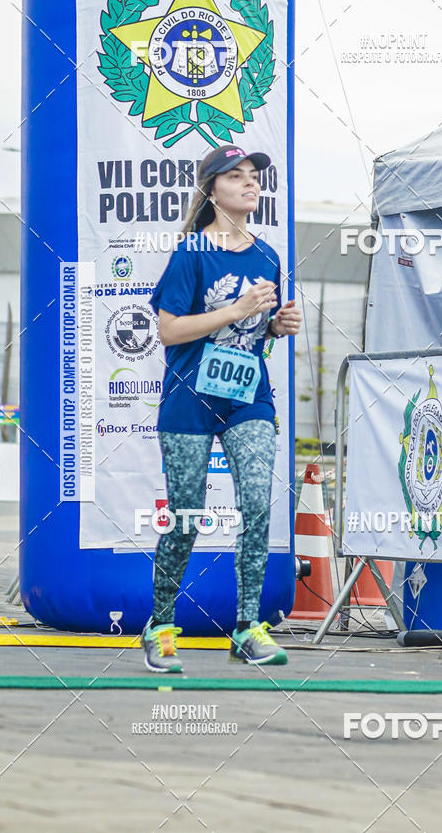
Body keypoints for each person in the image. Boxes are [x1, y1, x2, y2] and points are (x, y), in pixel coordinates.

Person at [141, 145, 302, 673]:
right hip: (189, 398)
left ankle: (248, 627)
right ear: (212, 191)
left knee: (257, 504)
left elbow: (257, 329)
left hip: (247, 396)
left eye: (254, 176)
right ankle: (160, 625)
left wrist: (276, 326)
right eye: (236, 177)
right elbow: (169, 331)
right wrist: (235, 309)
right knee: (185, 517)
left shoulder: (269, 255)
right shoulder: (191, 251)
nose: (251, 184)